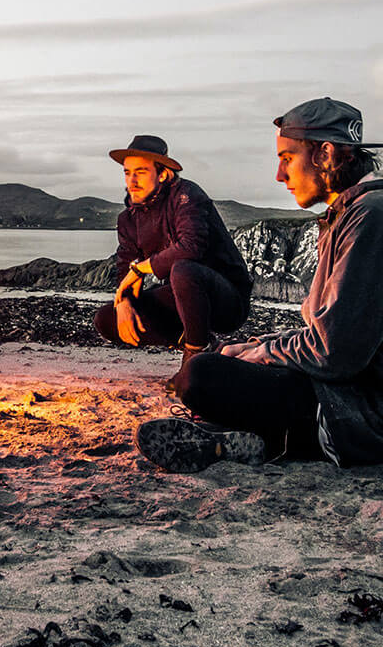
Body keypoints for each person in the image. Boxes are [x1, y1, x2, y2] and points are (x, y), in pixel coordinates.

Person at [136, 97, 383, 473]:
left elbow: (335, 352)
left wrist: (258, 355)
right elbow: (332, 332)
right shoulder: (351, 214)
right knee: (221, 361)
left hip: (359, 411)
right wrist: (259, 346)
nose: (279, 175)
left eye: (287, 158)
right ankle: (249, 439)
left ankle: (271, 438)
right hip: (348, 392)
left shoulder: (370, 217)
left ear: (326, 154)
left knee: (200, 376)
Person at [94, 135, 252, 381]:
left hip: (225, 298)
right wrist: (124, 302)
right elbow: (125, 264)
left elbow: (191, 246)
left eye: (141, 172)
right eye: (127, 173)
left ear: (164, 174)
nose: (132, 181)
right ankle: (204, 344)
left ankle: (195, 358)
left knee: (183, 270)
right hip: (183, 301)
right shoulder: (128, 219)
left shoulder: (186, 195)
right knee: (106, 319)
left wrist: (140, 269)